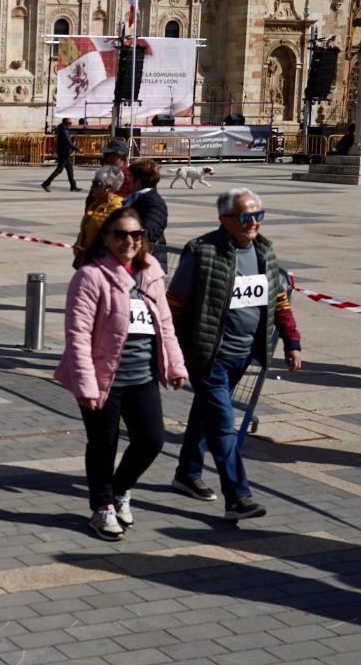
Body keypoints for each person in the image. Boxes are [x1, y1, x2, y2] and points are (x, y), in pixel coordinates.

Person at [167, 189, 302, 520]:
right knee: (224, 424)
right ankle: (238, 496)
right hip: (208, 355)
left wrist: (291, 341)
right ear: (224, 219)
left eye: (259, 215)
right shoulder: (202, 252)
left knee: (205, 414)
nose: (254, 222)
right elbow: (173, 305)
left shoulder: (264, 253)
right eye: (245, 216)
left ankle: (186, 473)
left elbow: (278, 301)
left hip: (244, 355)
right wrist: (170, 351)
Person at [56, 208, 188, 540]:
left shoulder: (152, 271)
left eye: (136, 235)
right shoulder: (90, 277)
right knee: (103, 444)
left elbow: (165, 325)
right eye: (121, 234)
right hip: (103, 379)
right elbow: (78, 335)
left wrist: (175, 365)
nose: (129, 241)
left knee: (151, 440)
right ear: (106, 238)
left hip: (142, 375)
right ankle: (101, 508)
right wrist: (85, 385)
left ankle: (119, 489)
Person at [74, 166, 127, 262]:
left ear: (108, 187)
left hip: (104, 261)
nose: (91, 187)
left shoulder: (117, 208)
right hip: (87, 258)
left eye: (96, 183)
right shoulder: (94, 204)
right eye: (92, 182)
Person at [126, 159, 168, 249]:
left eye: (130, 176)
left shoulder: (155, 203)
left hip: (147, 258)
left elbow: (148, 232)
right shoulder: (132, 198)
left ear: (137, 180)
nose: (128, 179)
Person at [42, 118, 79, 192]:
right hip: (64, 153)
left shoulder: (63, 129)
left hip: (65, 153)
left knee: (70, 170)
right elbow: (68, 142)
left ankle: (73, 186)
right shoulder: (64, 131)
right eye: (69, 123)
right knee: (59, 170)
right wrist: (77, 148)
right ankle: (46, 183)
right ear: (65, 123)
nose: (70, 125)